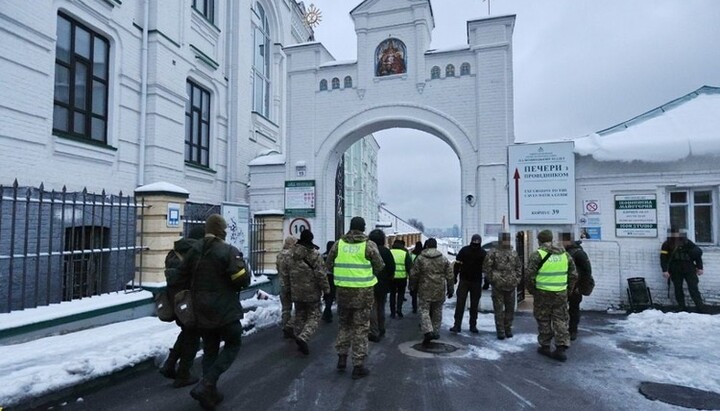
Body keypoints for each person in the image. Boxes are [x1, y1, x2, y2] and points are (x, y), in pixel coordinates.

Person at [180, 214, 250, 410]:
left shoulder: (194, 250)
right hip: (224, 309)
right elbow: (241, 280)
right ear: (221, 230)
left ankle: (209, 393)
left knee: (210, 348)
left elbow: (180, 276)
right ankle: (207, 382)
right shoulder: (227, 251)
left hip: (200, 310)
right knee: (233, 343)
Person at [325, 216, 384, 379]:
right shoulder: (369, 245)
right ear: (363, 228)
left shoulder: (339, 244)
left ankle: (342, 358)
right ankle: (358, 365)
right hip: (363, 294)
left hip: (343, 293)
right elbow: (379, 266)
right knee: (360, 328)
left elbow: (328, 264)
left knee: (344, 325)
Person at [159, 226, 205, 387]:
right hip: (190, 301)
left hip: (175, 301)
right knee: (193, 335)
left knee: (186, 332)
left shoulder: (174, 252)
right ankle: (184, 374)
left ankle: (170, 365)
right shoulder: (195, 254)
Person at [526, 230, 577, 362]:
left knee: (543, 318)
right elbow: (573, 274)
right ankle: (561, 348)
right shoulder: (564, 254)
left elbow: (529, 276)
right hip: (560, 292)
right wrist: (568, 290)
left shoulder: (538, 254)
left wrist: (533, 291)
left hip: (542, 293)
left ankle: (545, 346)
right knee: (560, 319)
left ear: (540, 240)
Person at [287, 229, 330, 355]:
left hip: (296, 291)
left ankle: (298, 336)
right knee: (314, 315)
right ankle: (303, 337)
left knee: (300, 314)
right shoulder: (314, 255)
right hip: (311, 292)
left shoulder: (291, 253)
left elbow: (287, 271)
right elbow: (321, 275)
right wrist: (326, 289)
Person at [409, 238, 454, 347]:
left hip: (425, 289)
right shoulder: (443, 259)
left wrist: (412, 286)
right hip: (439, 289)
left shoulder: (420, 258)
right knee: (437, 310)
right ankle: (436, 331)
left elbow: (414, 274)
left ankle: (428, 330)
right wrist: (450, 288)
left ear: (427, 246)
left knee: (424, 310)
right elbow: (450, 274)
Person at [483, 232, 522, 340]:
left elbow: (519, 267)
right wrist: (493, 280)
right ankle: (500, 331)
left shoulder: (513, 253)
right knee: (499, 310)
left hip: (511, 286)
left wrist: (516, 280)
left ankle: (508, 329)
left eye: (507, 239)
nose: (506, 242)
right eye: (504, 239)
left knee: (510, 310)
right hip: (498, 286)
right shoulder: (493, 253)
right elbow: (487, 268)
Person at [660, 228, 705, 312]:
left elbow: (697, 255)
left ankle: (700, 307)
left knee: (693, 288)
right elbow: (663, 258)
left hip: (689, 268)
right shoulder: (666, 244)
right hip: (675, 269)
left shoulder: (687, 242)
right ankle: (681, 307)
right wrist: (665, 270)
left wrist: (700, 268)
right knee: (678, 289)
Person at [450, 234, 487, 334]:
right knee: (472, 305)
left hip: (466, 281)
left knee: (462, 304)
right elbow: (486, 269)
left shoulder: (464, 250)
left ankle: (458, 325)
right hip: (474, 281)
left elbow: (457, 265)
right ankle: (471, 326)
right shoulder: (482, 253)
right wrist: (486, 282)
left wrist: (454, 277)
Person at [561, 232, 593, 340]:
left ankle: (573, 330)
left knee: (574, 309)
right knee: (562, 309)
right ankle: (563, 329)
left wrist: (581, 287)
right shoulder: (565, 252)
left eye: (563, 241)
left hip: (576, 287)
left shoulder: (579, 253)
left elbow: (587, 272)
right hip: (565, 286)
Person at [368, 229, 395, 342]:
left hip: (370, 282)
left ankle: (374, 331)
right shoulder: (386, 252)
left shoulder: (368, 251)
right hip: (383, 284)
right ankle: (381, 327)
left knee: (373, 307)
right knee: (381, 307)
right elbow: (391, 268)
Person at [277, 236, 298, 339]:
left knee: (285, 308)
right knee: (300, 307)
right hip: (293, 284)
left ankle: (285, 327)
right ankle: (291, 326)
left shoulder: (279, 255)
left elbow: (278, 269)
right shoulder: (292, 255)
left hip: (282, 285)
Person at [389, 239, 412, 319]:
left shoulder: (390, 252)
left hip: (392, 278)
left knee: (392, 294)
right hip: (402, 277)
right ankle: (399, 309)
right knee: (401, 294)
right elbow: (409, 266)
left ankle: (392, 312)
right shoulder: (405, 253)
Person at [321, 241, 336, 323]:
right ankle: (327, 312)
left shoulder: (322, 255)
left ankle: (327, 311)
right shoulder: (335, 256)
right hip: (332, 277)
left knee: (327, 295)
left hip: (324, 277)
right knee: (331, 295)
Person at [410, 241, 423, 314]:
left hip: (413, 276)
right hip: (422, 277)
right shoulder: (423, 254)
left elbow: (410, 264)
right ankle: (421, 307)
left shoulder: (412, 254)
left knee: (414, 294)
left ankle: (414, 307)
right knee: (421, 294)